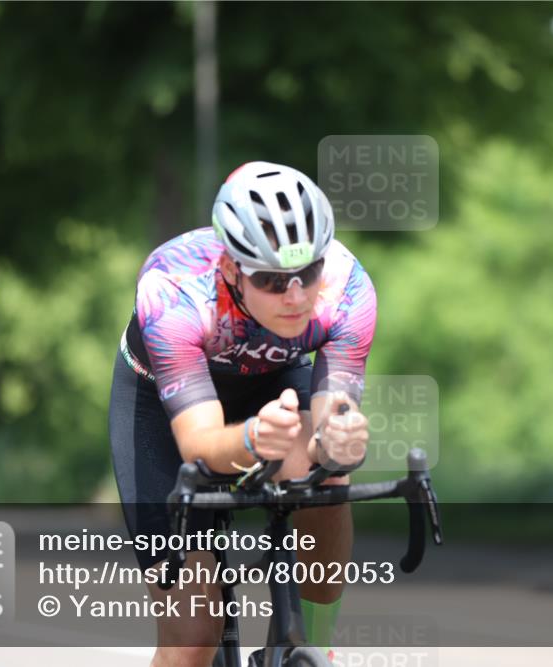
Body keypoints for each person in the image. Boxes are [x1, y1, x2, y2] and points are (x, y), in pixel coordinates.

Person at [109, 161, 377, 667]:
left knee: (327, 481)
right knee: (190, 639)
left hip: (274, 382)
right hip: (163, 408)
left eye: (306, 273)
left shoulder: (347, 290)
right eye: (273, 281)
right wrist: (253, 439)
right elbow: (200, 446)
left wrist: (341, 442)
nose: (296, 295)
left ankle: (312, 645)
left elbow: (329, 422)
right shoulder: (173, 291)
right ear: (233, 269)